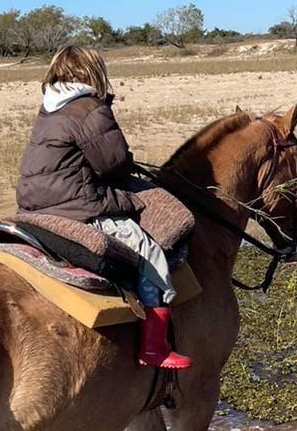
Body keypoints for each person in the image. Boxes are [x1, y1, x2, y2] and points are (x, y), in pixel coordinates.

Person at [16, 43, 190, 369]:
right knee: (149, 254)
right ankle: (154, 346)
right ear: (93, 73)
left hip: (34, 204)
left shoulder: (50, 106)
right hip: (77, 205)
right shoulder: (87, 107)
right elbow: (114, 165)